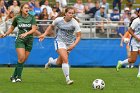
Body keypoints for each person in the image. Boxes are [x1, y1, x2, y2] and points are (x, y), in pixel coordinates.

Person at [39, 7, 81, 85]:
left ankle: (50, 61)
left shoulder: (75, 23)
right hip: (60, 41)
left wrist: (74, 45)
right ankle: (68, 79)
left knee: (59, 62)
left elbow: (79, 36)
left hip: (69, 44)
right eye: (69, 13)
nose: (71, 15)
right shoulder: (58, 20)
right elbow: (51, 26)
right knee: (65, 59)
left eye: (72, 13)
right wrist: (44, 34)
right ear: (65, 13)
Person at [0, 3, 37, 82]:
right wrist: (6, 34)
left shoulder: (32, 17)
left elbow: (34, 29)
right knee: (21, 57)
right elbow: (12, 28)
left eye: (28, 8)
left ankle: (14, 76)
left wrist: (26, 33)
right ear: (21, 9)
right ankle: (19, 77)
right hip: (20, 39)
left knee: (23, 60)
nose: (27, 9)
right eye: (25, 8)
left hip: (29, 40)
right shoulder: (17, 18)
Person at [116, 8, 140, 78]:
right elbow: (129, 30)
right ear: (138, 13)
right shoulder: (136, 21)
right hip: (134, 42)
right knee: (133, 60)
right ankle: (121, 63)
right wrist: (136, 37)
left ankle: (139, 74)